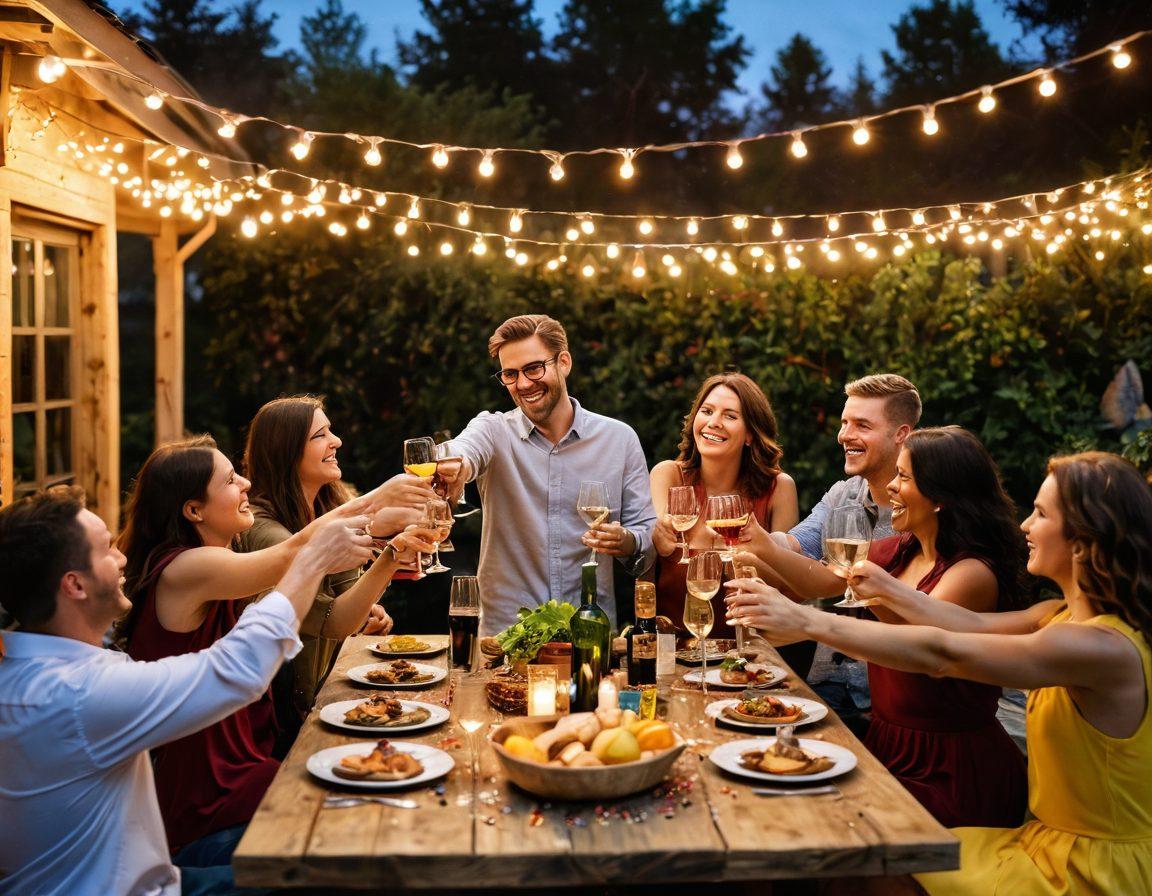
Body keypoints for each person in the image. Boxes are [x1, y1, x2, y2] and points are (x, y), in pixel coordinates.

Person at [729, 452, 1152, 895]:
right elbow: (955, 623)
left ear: (1083, 541)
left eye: (1042, 514)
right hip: (1044, 843)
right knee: (862, 855)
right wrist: (884, 586)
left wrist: (806, 621)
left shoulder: (1099, 648)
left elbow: (942, 652)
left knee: (871, 864)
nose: (1025, 525)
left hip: (1087, 871)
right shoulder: (1056, 616)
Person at [0, 485, 374, 895]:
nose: (122, 557)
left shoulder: (36, 674)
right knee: (345, 873)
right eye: (106, 549)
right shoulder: (74, 694)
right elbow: (235, 671)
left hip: (154, 873)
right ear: (74, 585)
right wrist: (313, 559)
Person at [116, 436, 434, 858]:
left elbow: (305, 558)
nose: (246, 483)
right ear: (193, 510)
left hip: (248, 777)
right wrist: (377, 499)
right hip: (209, 808)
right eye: (230, 480)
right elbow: (296, 552)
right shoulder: (185, 568)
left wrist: (389, 545)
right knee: (381, 828)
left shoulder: (215, 560)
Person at [735, 427, 1030, 828]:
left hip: (947, 766)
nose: (890, 486)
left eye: (904, 477)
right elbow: (818, 582)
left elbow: (919, 652)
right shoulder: (900, 549)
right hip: (888, 742)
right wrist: (759, 545)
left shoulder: (971, 574)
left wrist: (805, 622)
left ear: (940, 496)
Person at [441, 314, 657, 636]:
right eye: (510, 375)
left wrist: (625, 540)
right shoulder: (493, 431)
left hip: (589, 636)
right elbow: (462, 451)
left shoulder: (619, 439)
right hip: (506, 639)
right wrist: (452, 467)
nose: (524, 384)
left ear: (564, 362)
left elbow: (648, 538)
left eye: (533, 368)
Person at [238, 395, 434, 749]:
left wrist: (386, 562)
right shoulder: (264, 530)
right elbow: (334, 620)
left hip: (325, 693)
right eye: (320, 435)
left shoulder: (324, 507)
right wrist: (388, 551)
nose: (336, 441)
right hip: (280, 722)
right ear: (286, 451)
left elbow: (345, 611)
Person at [737, 373, 920, 721]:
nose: (845, 435)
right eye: (844, 423)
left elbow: (829, 580)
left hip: (890, 695)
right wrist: (745, 540)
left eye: (862, 425)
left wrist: (761, 545)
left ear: (901, 435)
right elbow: (795, 543)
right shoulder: (843, 493)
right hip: (828, 684)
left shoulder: (920, 511)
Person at [648, 372, 798, 644]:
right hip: (675, 652)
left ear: (751, 434)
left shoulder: (779, 488)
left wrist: (743, 557)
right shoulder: (668, 476)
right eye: (706, 411)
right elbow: (662, 535)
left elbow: (786, 584)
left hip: (751, 656)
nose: (713, 423)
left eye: (730, 416)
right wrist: (659, 534)